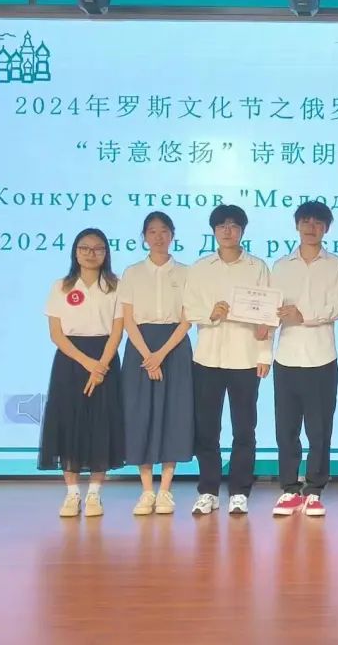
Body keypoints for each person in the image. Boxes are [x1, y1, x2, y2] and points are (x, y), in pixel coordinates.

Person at [183, 204, 273, 516]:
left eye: (234, 225)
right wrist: (211, 314)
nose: (227, 231)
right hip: (207, 358)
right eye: (221, 225)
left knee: (244, 429)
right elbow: (188, 308)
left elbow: (267, 316)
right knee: (207, 429)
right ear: (213, 230)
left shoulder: (257, 267)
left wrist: (265, 355)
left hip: (245, 357)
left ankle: (239, 491)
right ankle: (208, 490)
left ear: (242, 231)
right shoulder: (200, 268)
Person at [268, 201, 338, 519]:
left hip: (321, 358)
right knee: (286, 430)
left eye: (317, 223)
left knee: (319, 431)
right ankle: (289, 489)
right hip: (286, 357)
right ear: (297, 225)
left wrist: (303, 316)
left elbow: (337, 307)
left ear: (326, 228)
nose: (311, 227)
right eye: (305, 221)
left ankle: (314, 490)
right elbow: (270, 310)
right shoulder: (280, 266)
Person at [38, 228, 125, 518]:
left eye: (98, 248)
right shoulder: (61, 286)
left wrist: (101, 366)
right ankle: (72, 493)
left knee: (102, 422)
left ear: (106, 253)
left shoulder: (116, 285)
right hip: (70, 359)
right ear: (75, 252)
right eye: (84, 248)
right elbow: (56, 334)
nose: (91, 253)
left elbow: (117, 331)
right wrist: (87, 363)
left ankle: (95, 494)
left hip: (105, 357)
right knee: (68, 421)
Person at [118, 211, 193, 516]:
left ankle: (165, 490)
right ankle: (147, 490)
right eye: (152, 231)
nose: (158, 237)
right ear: (144, 237)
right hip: (140, 346)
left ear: (172, 234)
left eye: (164, 231)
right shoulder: (132, 272)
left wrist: (160, 355)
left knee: (174, 414)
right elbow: (127, 319)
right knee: (141, 415)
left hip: (174, 347)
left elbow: (187, 319)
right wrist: (148, 355)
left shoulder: (186, 272)